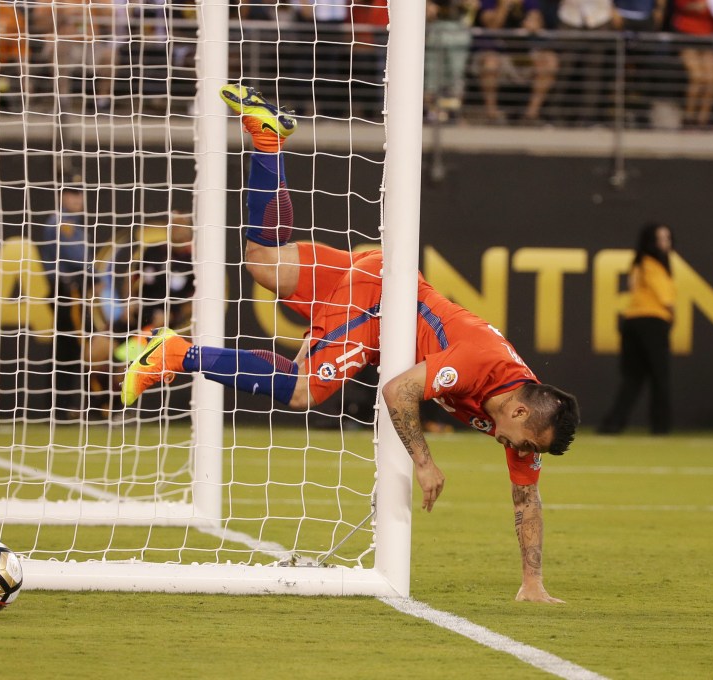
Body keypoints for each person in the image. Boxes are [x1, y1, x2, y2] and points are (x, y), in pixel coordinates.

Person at [121, 85, 581, 602]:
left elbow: (527, 497)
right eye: (525, 442)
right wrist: (424, 462)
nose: (518, 451)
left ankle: (267, 139)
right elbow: (398, 391)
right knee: (302, 392)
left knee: (261, 260)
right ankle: (172, 352)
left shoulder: (521, 414)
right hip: (379, 300)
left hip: (379, 282)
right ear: (519, 413)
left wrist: (533, 582)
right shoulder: (479, 366)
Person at [35, 173, 111, 418]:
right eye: (72, 193)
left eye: (80, 193)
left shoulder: (73, 223)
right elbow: (75, 255)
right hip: (68, 292)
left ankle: (64, 406)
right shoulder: (62, 222)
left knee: (71, 350)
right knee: (81, 348)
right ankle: (94, 407)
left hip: (73, 293)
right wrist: (96, 277)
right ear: (62, 195)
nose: (77, 198)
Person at [598, 222, 676, 435]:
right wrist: (672, 315)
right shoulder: (654, 265)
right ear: (652, 242)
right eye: (661, 238)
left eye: (667, 238)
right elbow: (666, 298)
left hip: (631, 323)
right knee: (660, 376)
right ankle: (661, 426)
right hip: (652, 322)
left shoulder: (638, 264)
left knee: (633, 378)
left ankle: (613, 424)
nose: (666, 243)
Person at [474, 0, 559, 124]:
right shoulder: (489, 2)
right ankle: (492, 115)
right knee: (490, 63)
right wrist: (503, 6)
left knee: (549, 60)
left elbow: (538, 21)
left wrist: (533, 24)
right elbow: (493, 26)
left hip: (523, 53)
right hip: (497, 54)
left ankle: (531, 116)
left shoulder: (528, 2)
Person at [670, 0, 713, 128]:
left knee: (712, 79)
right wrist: (705, 5)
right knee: (697, 77)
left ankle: (702, 121)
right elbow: (684, 6)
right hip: (687, 35)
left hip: (707, 37)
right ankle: (688, 119)